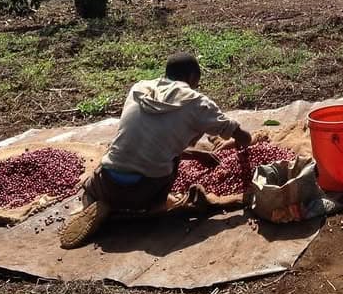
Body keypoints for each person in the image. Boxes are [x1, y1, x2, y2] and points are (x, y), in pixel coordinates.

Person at [60, 52, 253, 249]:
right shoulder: (197, 103)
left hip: (108, 182)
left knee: (89, 186)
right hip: (147, 190)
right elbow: (242, 136)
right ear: (193, 77)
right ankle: (152, 209)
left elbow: (147, 138)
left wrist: (195, 154)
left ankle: (100, 207)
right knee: (168, 167)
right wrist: (247, 145)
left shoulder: (139, 88)